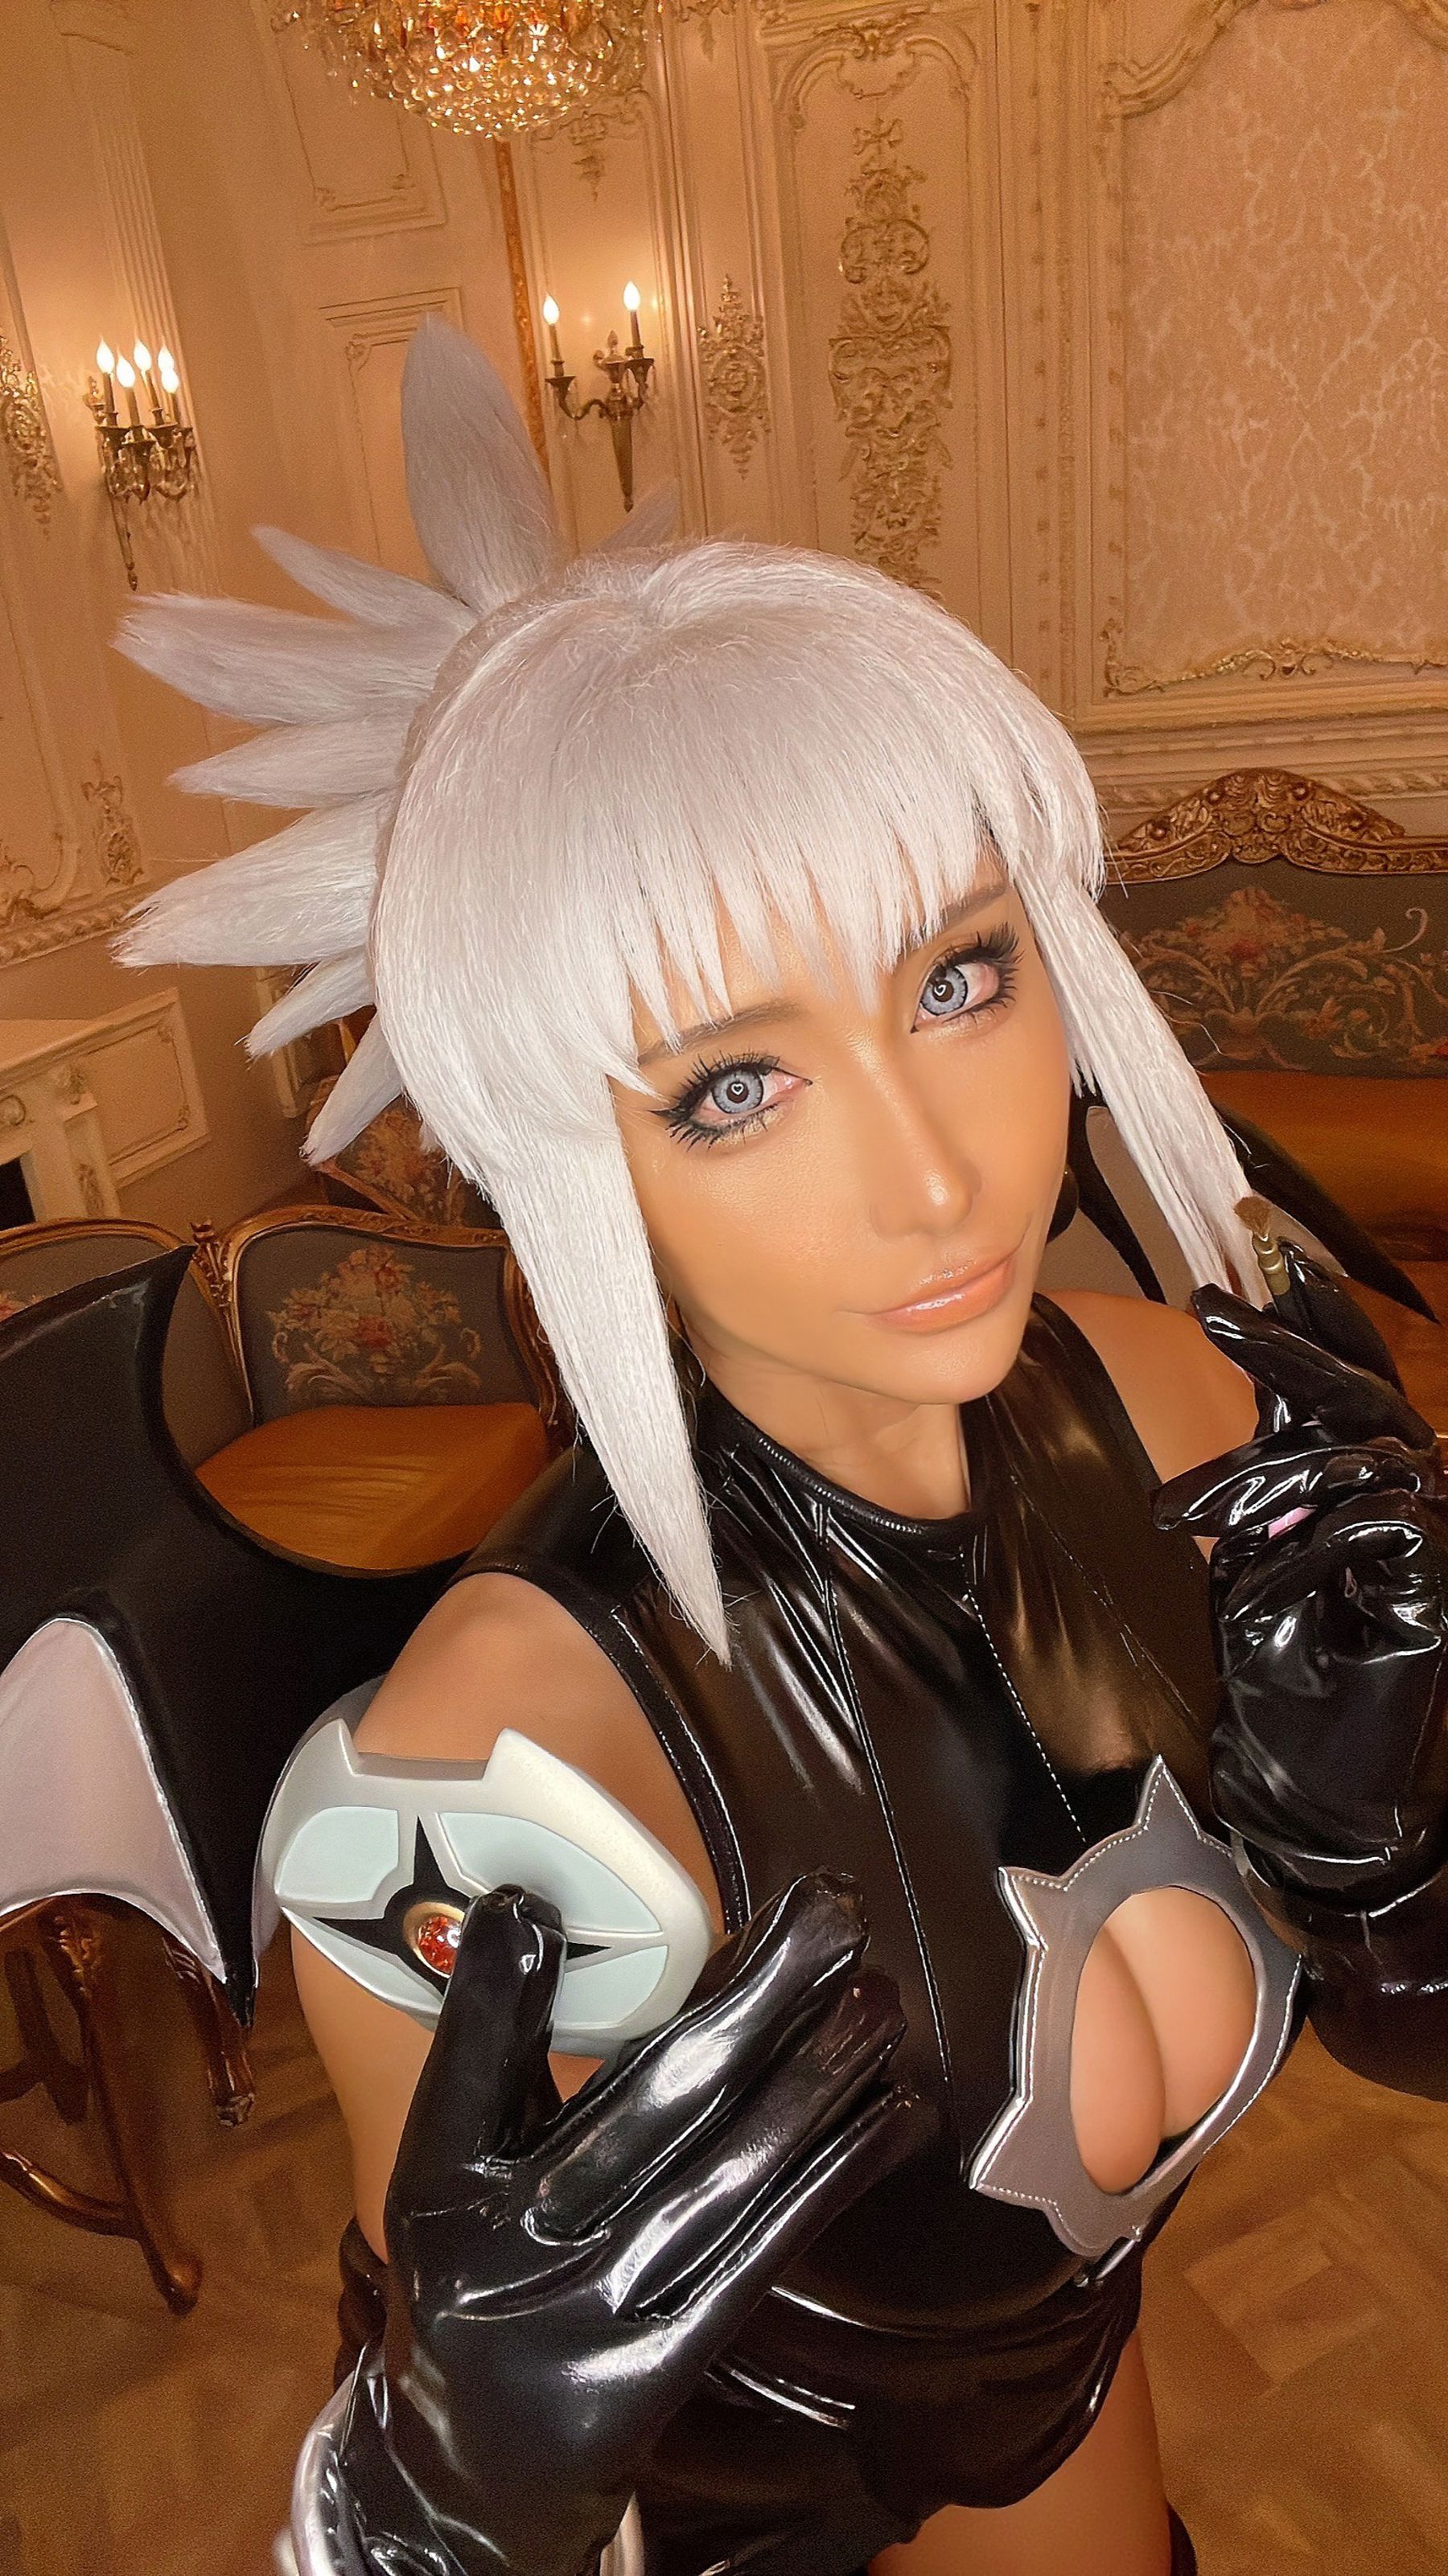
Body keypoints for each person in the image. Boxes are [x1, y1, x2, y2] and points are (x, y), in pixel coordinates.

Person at [118, 323, 1448, 2576]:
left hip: (1061, 2403)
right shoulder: (491, 1795)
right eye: (736, 1086)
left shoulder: (1205, 1417)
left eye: (958, 979)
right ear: (567, 1155)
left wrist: (1398, 1881)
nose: (937, 1177)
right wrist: (426, 2504)